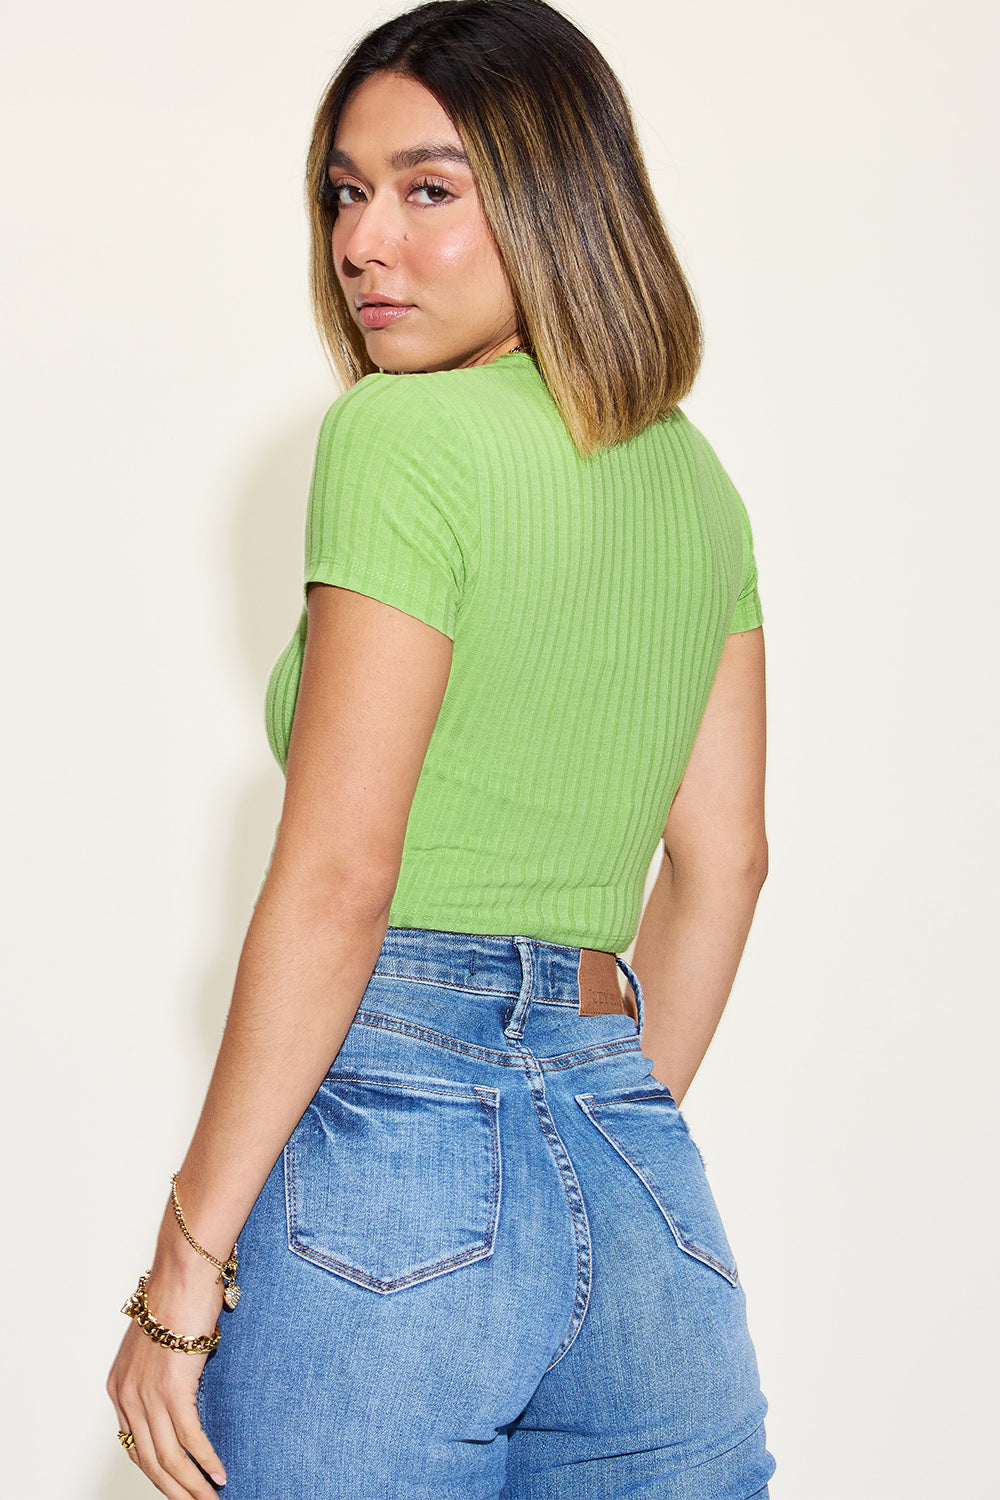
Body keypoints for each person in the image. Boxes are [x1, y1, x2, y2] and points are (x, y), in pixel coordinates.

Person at [107, 1, 774, 1495]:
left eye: (427, 188)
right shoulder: (697, 482)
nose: (362, 242)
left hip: (394, 1169)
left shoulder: (401, 441)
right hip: (639, 1170)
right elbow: (727, 866)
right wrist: (582, 1121)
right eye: (345, 192)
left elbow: (342, 871)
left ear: (553, 198)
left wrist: (182, 1271)